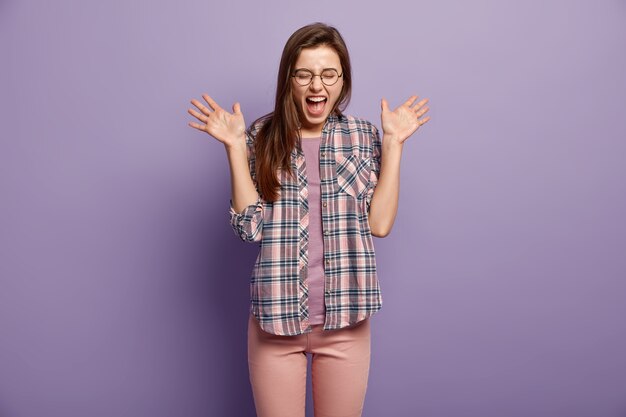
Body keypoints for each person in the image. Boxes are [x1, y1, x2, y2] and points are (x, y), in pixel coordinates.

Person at [187, 22, 430, 417]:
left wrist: (394, 145)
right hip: (275, 324)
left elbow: (380, 225)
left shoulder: (363, 137)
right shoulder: (262, 136)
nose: (317, 85)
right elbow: (250, 228)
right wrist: (234, 147)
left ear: (342, 80)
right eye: (304, 74)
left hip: (346, 324)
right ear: (290, 80)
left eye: (328, 74)